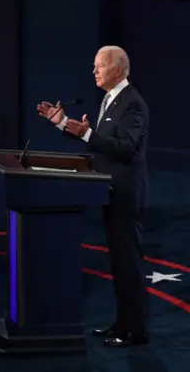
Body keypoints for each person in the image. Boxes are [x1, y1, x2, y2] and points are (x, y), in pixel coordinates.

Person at [36, 45, 149, 347]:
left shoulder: (132, 104)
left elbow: (125, 148)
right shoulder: (111, 101)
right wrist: (62, 124)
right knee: (118, 263)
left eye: (100, 66)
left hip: (125, 194)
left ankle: (134, 331)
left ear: (117, 69)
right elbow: (101, 144)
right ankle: (121, 325)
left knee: (128, 263)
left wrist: (86, 134)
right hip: (108, 191)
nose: (94, 71)